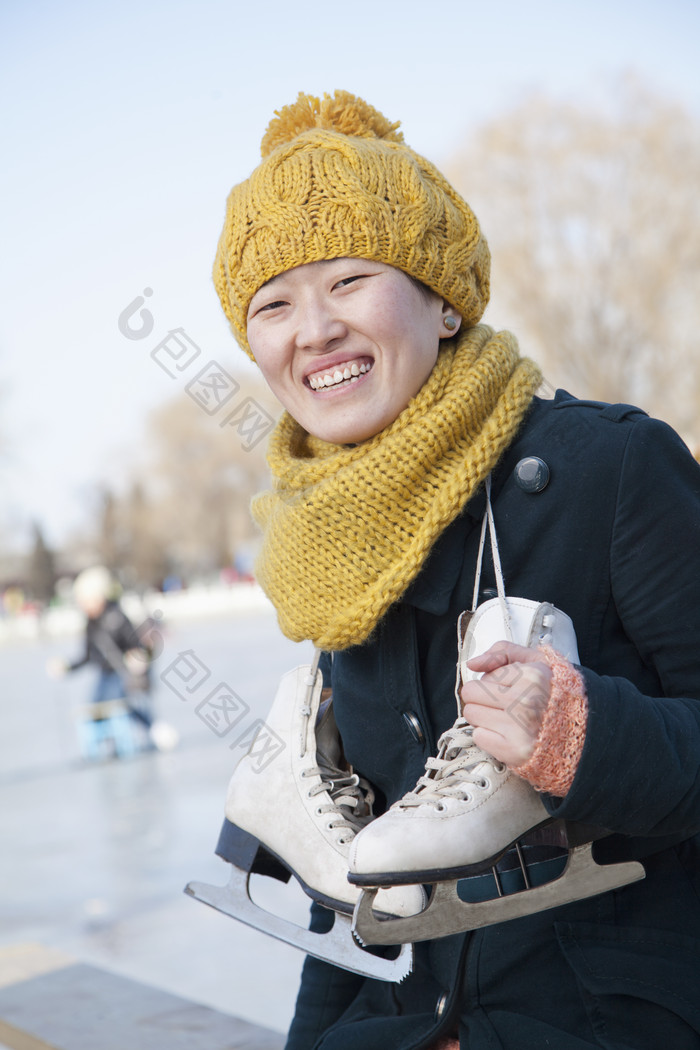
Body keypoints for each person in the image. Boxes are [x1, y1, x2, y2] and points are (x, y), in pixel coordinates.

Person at [211, 90, 700, 1049]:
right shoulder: (326, 542)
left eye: (350, 280)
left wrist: (580, 735)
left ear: (442, 301)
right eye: (273, 303)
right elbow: (361, 889)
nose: (312, 330)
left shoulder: (610, 468)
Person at [49, 566, 176, 755]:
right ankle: (108, 745)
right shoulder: (91, 624)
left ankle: (154, 728)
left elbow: (135, 643)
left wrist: (137, 656)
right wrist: (67, 667)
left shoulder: (117, 617)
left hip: (121, 674)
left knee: (124, 704)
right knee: (96, 709)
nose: (84, 605)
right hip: (105, 675)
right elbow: (87, 655)